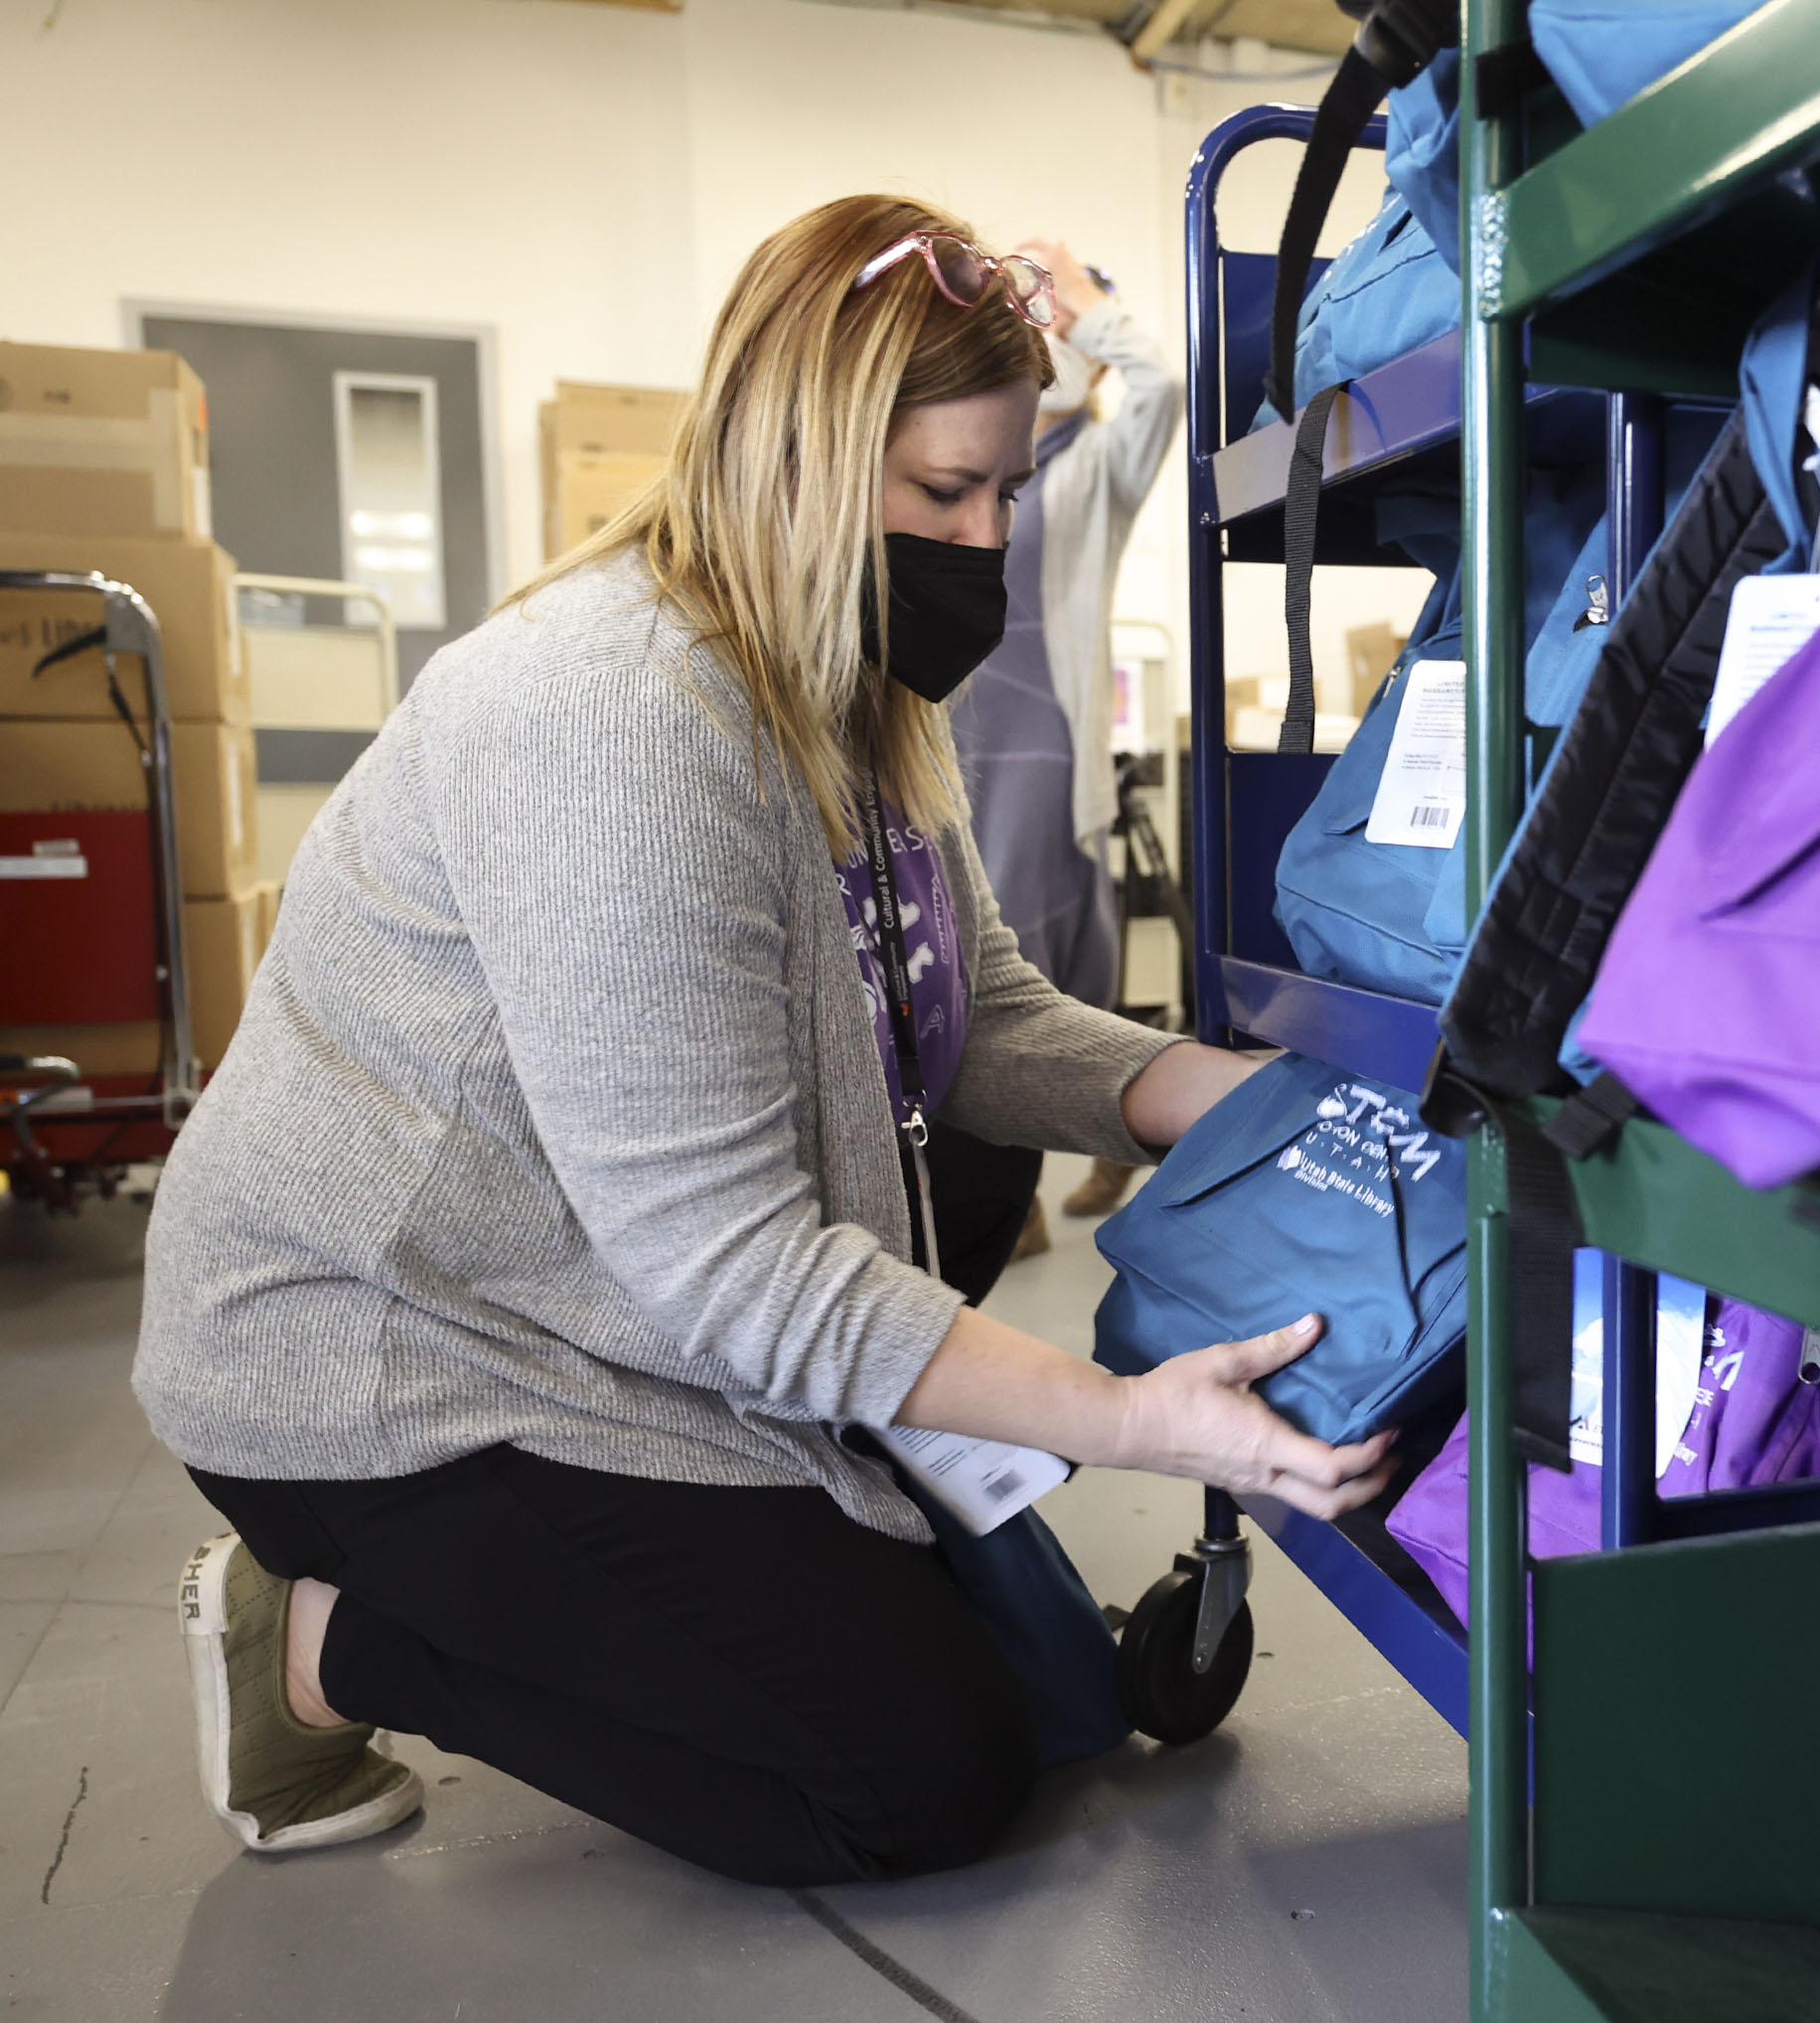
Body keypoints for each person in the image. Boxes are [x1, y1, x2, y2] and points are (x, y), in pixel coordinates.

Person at [133, 194, 1394, 1890]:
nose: (987, 542)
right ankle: (315, 1637)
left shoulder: (847, 692)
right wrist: (1135, 1418)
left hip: (597, 1300)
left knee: (1048, 1701)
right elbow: (729, 1262)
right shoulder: (612, 723)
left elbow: (978, 1018)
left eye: (1009, 491)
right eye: (947, 492)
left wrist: (1271, 1113)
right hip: (393, 1347)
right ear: (791, 460)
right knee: (912, 1776)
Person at [940, 239, 1176, 1259]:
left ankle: (1022, 1177)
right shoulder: (965, 451)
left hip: (1044, 729)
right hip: (956, 727)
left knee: (1023, 942)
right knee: (961, 941)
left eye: (1058, 321)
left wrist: (1086, 307)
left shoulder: (1091, 462)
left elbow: (1166, 381)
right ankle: (1064, 1142)